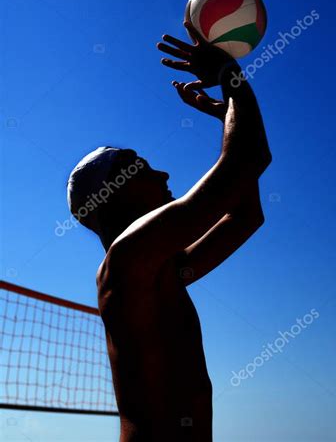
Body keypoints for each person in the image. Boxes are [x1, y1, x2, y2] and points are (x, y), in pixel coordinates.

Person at [67, 22, 272, 441]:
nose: (162, 173)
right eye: (142, 169)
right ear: (113, 194)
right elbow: (248, 159)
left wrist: (223, 114)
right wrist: (230, 77)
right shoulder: (128, 260)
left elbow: (246, 215)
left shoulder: (161, 272)